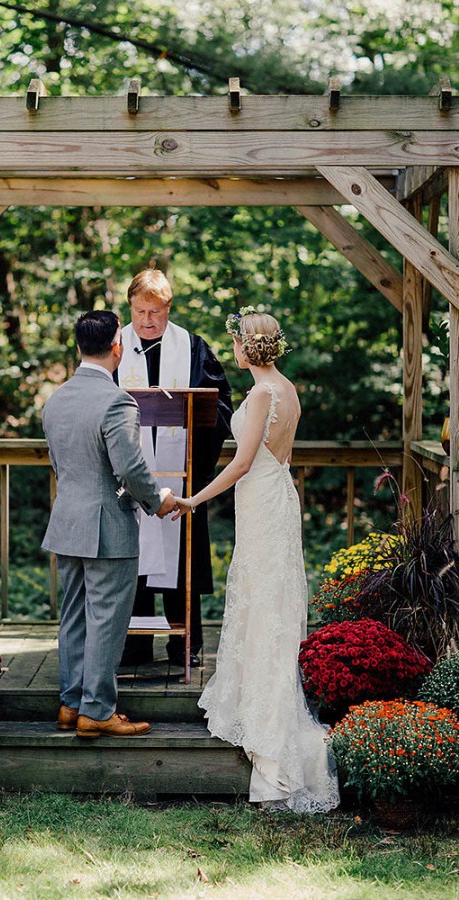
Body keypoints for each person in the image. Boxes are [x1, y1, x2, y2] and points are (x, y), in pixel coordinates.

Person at [172, 309, 339, 812]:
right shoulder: (287, 387)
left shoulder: (263, 393)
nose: (232, 352)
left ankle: (270, 725)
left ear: (249, 348)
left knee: (266, 601)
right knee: (269, 597)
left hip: (263, 497)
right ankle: (261, 693)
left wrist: (194, 501)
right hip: (276, 495)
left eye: (236, 344)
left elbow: (242, 463)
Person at [41, 310, 177, 738]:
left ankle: (71, 703)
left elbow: (60, 464)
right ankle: (97, 710)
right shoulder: (117, 400)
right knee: (106, 619)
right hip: (107, 528)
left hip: (67, 520)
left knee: (74, 615)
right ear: (117, 346)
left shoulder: (57, 398)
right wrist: (157, 501)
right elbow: (131, 468)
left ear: (78, 347)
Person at [117, 269, 233, 668]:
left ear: (169, 308)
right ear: (129, 308)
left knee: (179, 558)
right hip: (127, 480)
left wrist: (193, 462)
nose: (147, 320)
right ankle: (133, 648)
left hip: (179, 474)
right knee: (132, 559)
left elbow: (218, 406)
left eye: (156, 311)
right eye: (139, 311)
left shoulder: (193, 347)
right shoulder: (114, 348)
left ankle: (184, 646)